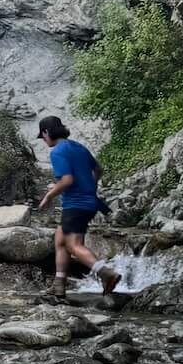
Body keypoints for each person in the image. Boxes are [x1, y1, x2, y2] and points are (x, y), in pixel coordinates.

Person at [35, 116, 119, 299]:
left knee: (73, 245)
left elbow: (67, 180)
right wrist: (90, 187)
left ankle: (106, 273)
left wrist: (48, 196)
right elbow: (98, 170)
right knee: (60, 239)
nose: (44, 141)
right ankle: (59, 286)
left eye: (42, 137)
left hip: (75, 204)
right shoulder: (78, 147)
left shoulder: (58, 152)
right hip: (89, 203)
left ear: (46, 132)